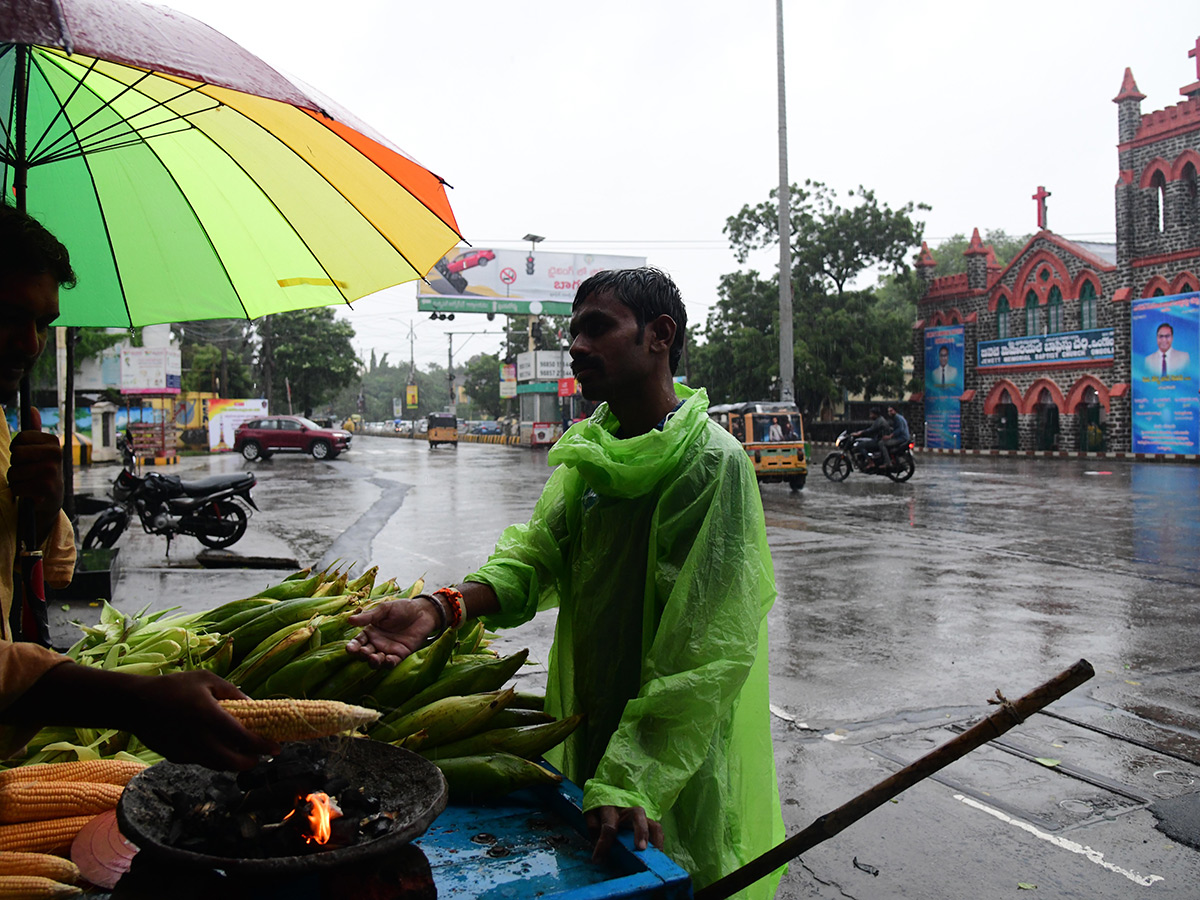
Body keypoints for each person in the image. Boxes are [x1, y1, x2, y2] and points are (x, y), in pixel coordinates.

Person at [348, 267, 785, 898]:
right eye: (573, 330)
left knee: (668, 877)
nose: (577, 345)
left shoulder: (711, 464)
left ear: (659, 335)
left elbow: (706, 652)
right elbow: (533, 560)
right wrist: (438, 608)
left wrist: (635, 778)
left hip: (670, 762)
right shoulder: (589, 452)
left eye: (597, 328)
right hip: (589, 729)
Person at [0, 203, 277, 770]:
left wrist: (48, 504)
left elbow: (51, 571)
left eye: (43, 324)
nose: (29, 345)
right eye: (8, 315)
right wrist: (137, 700)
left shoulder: (4, 430)